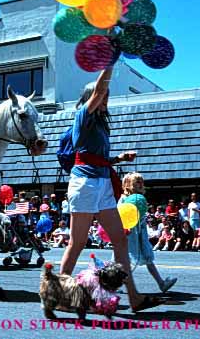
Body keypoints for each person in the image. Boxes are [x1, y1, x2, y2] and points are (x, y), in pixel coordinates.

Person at [59, 67, 160, 312]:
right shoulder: (83, 115)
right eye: (102, 95)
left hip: (102, 184)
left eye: (107, 96)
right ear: (91, 98)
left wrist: (119, 158)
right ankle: (60, 294)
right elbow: (100, 87)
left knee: (120, 241)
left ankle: (134, 297)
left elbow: (95, 158)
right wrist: (111, 59)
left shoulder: (102, 125)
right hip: (85, 185)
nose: (106, 98)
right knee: (77, 243)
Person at [120, 172, 177, 292]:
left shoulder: (140, 198)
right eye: (137, 182)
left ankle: (161, 283)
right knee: (124, 260)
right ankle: (112, 285)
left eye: (141, 182)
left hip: (140, 231)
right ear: (129, 184)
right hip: (129, 233)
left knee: (147, 256)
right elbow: (119, 214)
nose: (141, 184)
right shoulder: (124, 199)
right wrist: (126, 226)